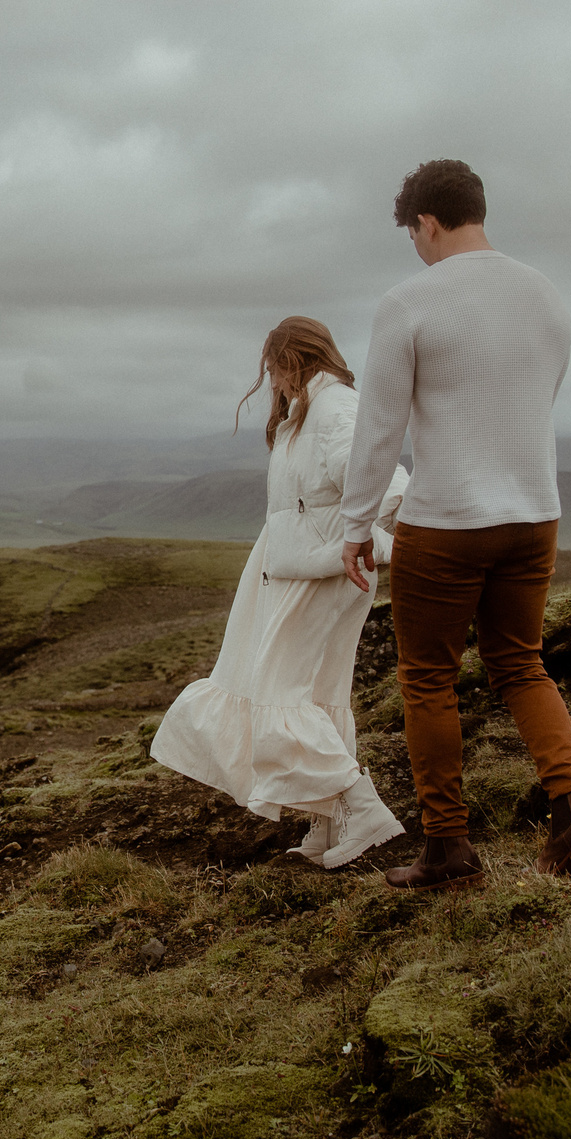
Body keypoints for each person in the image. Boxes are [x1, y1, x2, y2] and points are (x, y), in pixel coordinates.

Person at [336, 160, 571, 889]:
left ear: (427, 222)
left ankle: (448, 849)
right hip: (535, 514)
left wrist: (356, 523)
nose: (417, 247)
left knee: (429, 678)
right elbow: (540, 394)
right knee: (521, 663)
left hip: (448, 521)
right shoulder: (546, 295)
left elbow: (379, 429)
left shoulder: (409, 302)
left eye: (414, 235)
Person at [150, 317, 409, 869]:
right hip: (301, 569)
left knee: (278, 695)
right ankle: (328, 817)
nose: (272, 381)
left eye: (274, 368)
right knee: (309, 695)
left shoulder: (336, 409)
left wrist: (355, 541)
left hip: (319, 575)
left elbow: (387, 486)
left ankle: (361, 810)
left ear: (294, 360)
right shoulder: (311, 411)